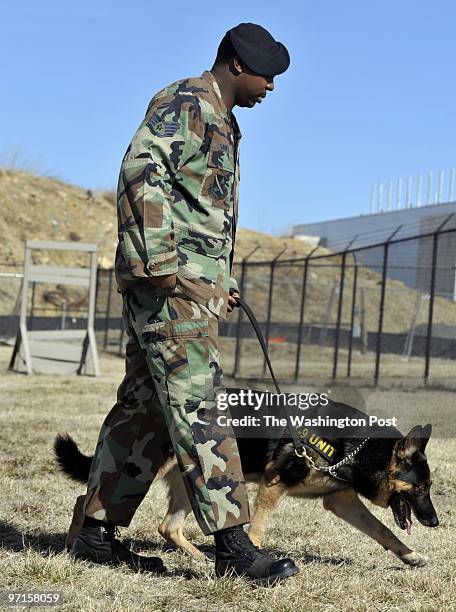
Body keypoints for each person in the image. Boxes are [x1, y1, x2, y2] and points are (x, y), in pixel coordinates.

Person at [70, 22, 298, 585]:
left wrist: (218, 278)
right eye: (266, 75)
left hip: (192, 287)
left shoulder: (222, 119)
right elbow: (140, 173)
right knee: (200, 409)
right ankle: (234, 546)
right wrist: (165, 268)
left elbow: (197, 209)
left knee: (144, 408)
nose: (271, 86)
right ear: (236, 66)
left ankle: (95, 533)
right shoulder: (187, 104)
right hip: (169, 289)